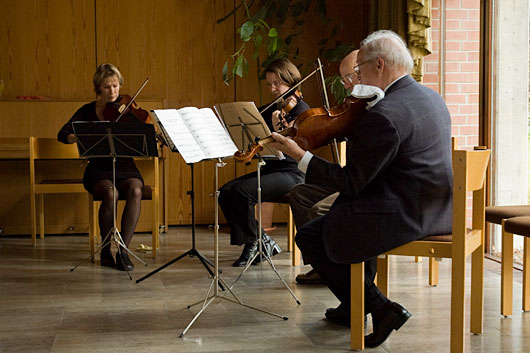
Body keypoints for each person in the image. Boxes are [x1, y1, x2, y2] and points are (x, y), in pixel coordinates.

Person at [270, 30, 452, 347]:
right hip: (436, 207)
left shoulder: (386, 113)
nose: (357, 76)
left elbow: (351, 182)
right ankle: (355, 304)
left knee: (313, 234)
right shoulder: (429, 96)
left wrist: (299, 156)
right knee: (342, 216)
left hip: (406, 213)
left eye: (360, 68)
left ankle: (380, 308)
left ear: (379, 65)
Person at [219, 58, 310, 267]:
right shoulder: (272, 108)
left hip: (293, 172)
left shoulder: (302, 111)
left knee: (242, 192)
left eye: (277, 83)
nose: (273, 89)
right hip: (273, 169)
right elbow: (249, 123)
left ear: (291, 81)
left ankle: (255, 243)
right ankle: (260, 240)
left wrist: (281, 130)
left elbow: (298, 146)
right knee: (224, 192)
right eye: (269, 84)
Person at [58, 63, 147, 272]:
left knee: (135, 190)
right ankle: (106, 249)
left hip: (126, 166)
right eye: (107, 87)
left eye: (116, 86)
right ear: (98, 89)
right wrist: (76, 137)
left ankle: (123, 251)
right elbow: (62, 134)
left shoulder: (127, 109)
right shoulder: (87, 110)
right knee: (110, 193)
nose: (113, 92)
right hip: (98, 169)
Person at [292, 49, 360, 285]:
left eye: (349, 78)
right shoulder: (355, 108)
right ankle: (320, 265)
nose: (346, 86)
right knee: (300, 194)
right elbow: (329, 130)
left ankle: (337, 272)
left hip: (362, 187)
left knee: (319, 210)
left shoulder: (375, 109)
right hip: (352, 181)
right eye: (343, 80)